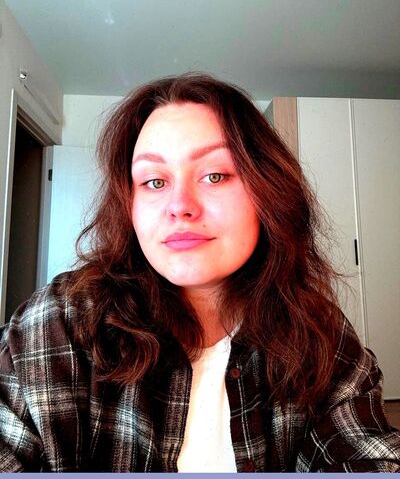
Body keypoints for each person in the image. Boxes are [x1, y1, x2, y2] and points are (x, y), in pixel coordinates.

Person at [0, 73, 399, 472]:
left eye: (214, 175)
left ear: (268, 191)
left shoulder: (319, 332)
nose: (180, 206)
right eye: (154, 181)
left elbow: (366, 454)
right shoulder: (60, 323)